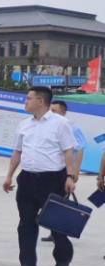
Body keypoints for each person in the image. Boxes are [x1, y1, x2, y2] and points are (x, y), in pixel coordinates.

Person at [2, 86, 77, 266]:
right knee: (25, 223)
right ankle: (28, 264)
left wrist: (70, 176)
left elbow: (68, 151)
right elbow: (17, 152)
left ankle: (63, 258)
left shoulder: (60, 123)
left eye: (29, 98)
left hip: (53, 179)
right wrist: (9, 175)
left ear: (41, 101)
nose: (25, 102)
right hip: (27, 178)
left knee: (56, 224)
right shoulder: (24, 124)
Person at [41, 99, 87, 242]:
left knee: (60, 202)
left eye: (54, 110)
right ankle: (54, 232)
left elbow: (79, 149)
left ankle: (60, 233)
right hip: (50, 170)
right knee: (51, 201)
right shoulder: (48, 126)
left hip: (64, 171)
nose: (51, 113)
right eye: (50, 110)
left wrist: (75, 171)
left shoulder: (72, 127)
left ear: (64, 112)